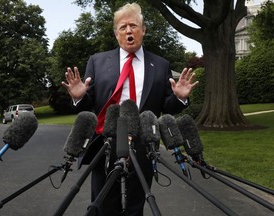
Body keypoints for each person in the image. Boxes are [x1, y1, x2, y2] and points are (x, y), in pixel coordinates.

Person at [62, 3, 198, 216]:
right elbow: (88, 104)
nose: (128, 31)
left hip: (144, 141)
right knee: (104, 202)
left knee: (137, 203)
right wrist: (79, 97)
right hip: (105, 140)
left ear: (143, 30)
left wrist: (179, 98)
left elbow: (165, 106)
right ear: (116, 34)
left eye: (133, 25)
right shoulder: (97, 62)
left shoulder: (160, 65)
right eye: (123, 27)